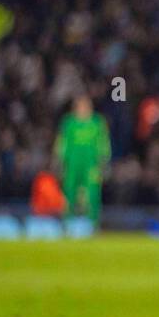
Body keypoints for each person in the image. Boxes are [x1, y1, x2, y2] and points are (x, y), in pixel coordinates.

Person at [54, 95, 110, 225]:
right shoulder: (69, 123)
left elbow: (103, 143)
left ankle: (93, 224)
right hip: (72, 164)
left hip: (91, 164)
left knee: (92, 192)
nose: (83, 108)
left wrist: (104, 160)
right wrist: (58, 160)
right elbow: (62, 142)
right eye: (80, 106)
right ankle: (67, 223)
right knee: (69, 191)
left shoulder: (97, 123)